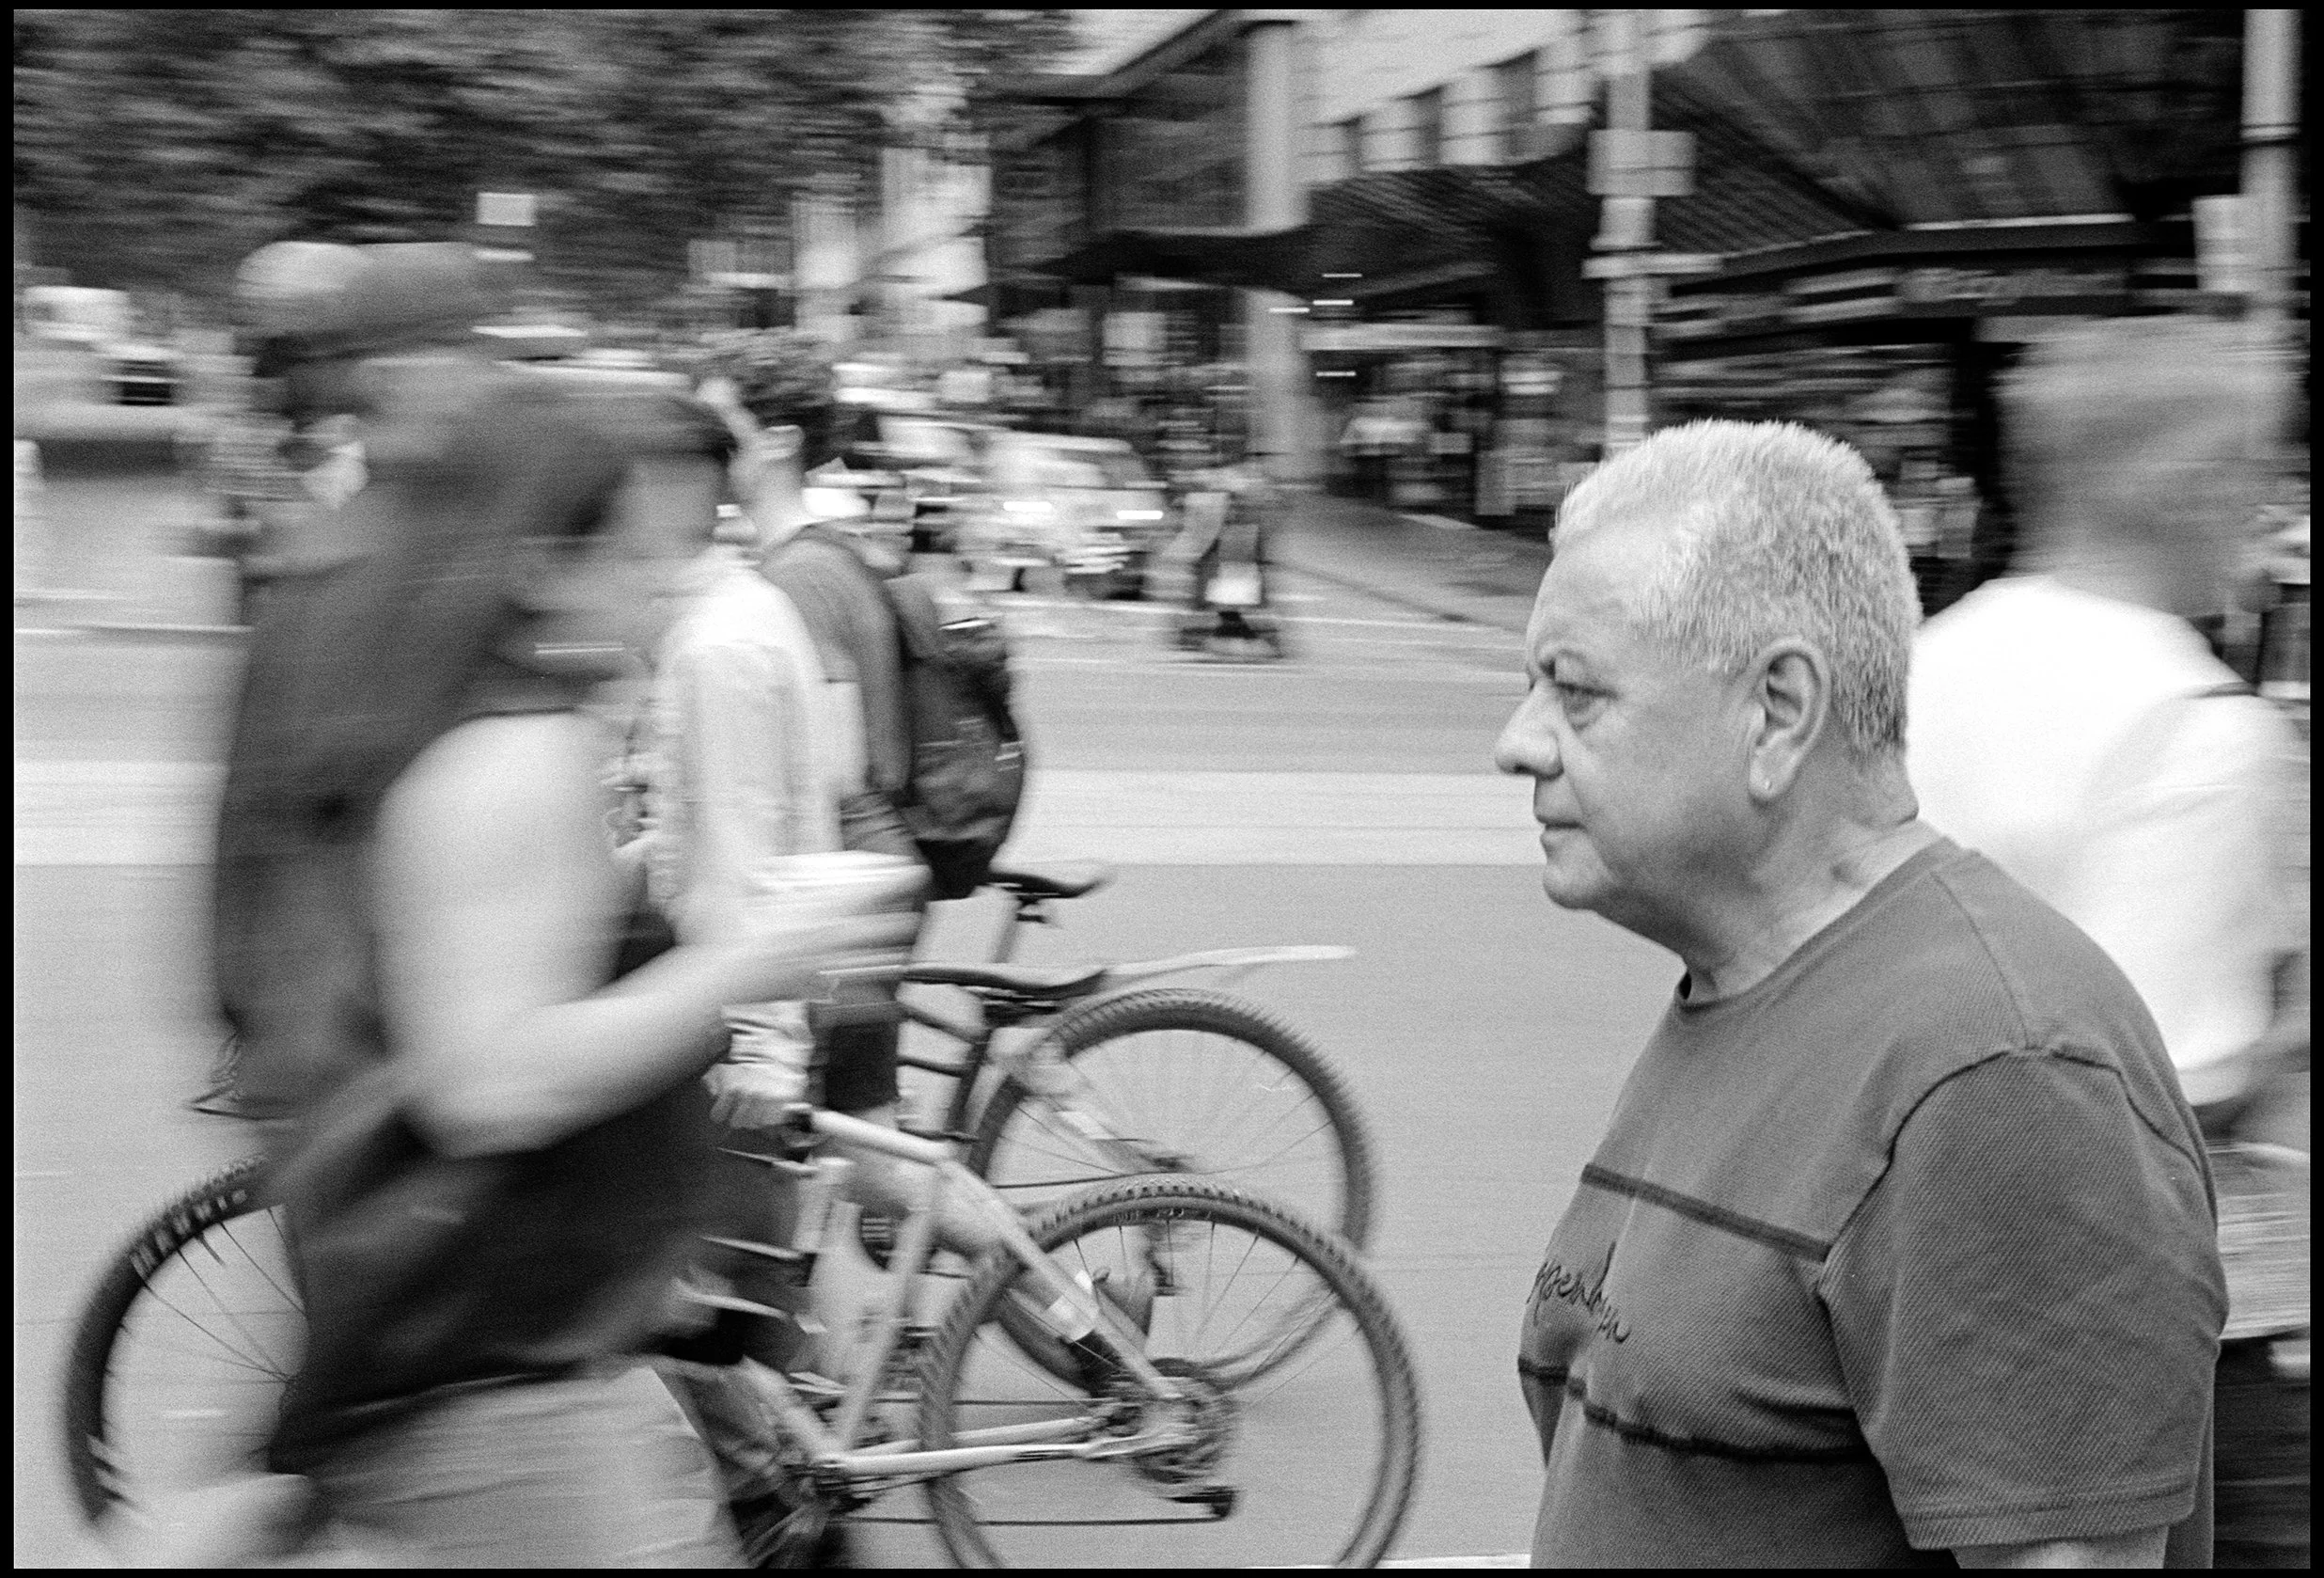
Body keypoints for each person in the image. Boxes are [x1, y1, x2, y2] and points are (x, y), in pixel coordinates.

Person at [182, 242, 921, 1567]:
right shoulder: (483, 721)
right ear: (541, 563)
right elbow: (484, 1072)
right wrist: (752, 959)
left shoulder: (453, 650)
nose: (666, 582)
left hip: (508, 1310)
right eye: (637, 550)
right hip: (489, 1335)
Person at [1493, 418, 2225, 1568]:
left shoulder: (1998, 1079)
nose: (1518, 742)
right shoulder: (1742, 986)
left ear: (1779, 712)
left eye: (1573, 692)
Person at [1907, 320, 2309, 1569]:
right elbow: (2157, 1090)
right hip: (2136, 1364)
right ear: (2177, 479)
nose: (2267, 505)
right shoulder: (2198, 730)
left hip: (1912, 1295)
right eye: (2250, 467)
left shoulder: (1934, 662)